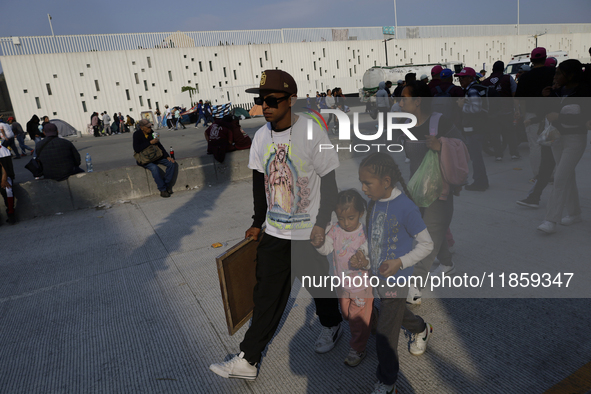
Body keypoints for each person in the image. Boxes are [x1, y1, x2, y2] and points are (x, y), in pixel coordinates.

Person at [209, 69, 342, 381]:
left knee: (319, 287)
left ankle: (331, 324)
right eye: (260, 100)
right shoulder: (261, 137)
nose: (264, 105)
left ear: (291, 100)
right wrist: (258, 223)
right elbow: (259, 184)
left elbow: (332, 184)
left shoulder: (313, 133)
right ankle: (247, 361)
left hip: (308, 233)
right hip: (274, 232)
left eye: (271, 99)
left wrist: (322, 224)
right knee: (266, 296)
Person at [358, 152, 434, 394]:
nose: (363, 188)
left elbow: (427, 245)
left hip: (397, 280)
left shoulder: (406, 208)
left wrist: (400, 262)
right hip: (376, 277)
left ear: (386, 181)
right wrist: (363, 255)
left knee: (385, 333)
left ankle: (387, 381)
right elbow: (371, 237)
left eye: (367, 183)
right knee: (396, 315)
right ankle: (421, 328)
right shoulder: (373, 202)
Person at [399, 81, 469, 303]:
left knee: (427, 236)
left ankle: (415, 286)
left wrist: (441, 146)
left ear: (418, 101)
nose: (399, 103)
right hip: (417, 189)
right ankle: (447, 263)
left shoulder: (439, 121)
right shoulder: (406, 125)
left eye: (403, 98)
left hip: (439, 189)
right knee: (428, 230)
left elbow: (462, 145)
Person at [315, 189, 376, 367]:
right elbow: (327, 249)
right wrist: (319, 244)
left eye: (351, 218)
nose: (346, 223)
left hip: (361, 287)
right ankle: (372, 315)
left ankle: (358, 348)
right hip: (342, 284)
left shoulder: (365, 234)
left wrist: (364, 262)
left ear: (360, 213)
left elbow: (373, 258)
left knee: (356, 322)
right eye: (341, 218)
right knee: (347, 315)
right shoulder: (335, 230)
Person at [536, 60, 591, 234]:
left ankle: (550, 220)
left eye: (559, 73)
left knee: (559, 178)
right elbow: (548, 114)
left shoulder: (584, 92)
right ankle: (575, 213)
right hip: (557, 139)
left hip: (575, 140)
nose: (556, 76)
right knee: (567, 177)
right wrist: (547, 98)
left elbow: (586, 120)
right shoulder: (558, 91)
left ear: (571, 74)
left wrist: (559, 117)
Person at [514, 47, 555, 181]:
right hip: (552, 113)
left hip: (532, 115)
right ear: (545, 58)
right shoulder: (553, 73)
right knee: (552, 144)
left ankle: (539, 176)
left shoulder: (525, 77)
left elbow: (521, 100)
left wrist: (524, 116)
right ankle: (553, 175)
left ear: (531, 60)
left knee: (535, 146)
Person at [456, 67, 489, 191]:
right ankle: (482, 180)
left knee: (476, 157)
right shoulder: (474, 89)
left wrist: (461, 106)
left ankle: (480, 182)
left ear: (471, 78)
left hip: (475, 128)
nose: (460, 80)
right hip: (478, 127)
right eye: (459, 78)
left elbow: (476, 109)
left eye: (463, 78)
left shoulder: (472, 90)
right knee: (476, 156)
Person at [481, 60, 520, 161]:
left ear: (493, 69)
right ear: (503, 69)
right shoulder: (508, 78)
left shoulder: (486, 82)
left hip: (492, 113)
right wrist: (517, 109)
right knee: (510, 133)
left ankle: (498, 155)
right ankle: (514, 153)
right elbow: (514, 93)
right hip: (506, 111)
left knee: (495, 134)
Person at [133, 119, 176, 197]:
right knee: (154, 168)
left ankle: (166, 185)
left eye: (150, 127)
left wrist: (167, 156)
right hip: (144, 159)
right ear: (142, 127)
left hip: (155, 156)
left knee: (172, 164)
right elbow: (137, 148)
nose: (150, 129)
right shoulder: (136, 134)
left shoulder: (152, 132)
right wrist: (149, 143)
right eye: (148, 127)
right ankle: (163, 190)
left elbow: (159, 145)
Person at [0, 143, 16, 224]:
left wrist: (3, 179)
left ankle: (11, 213)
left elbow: (5, 167)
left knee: (8, 190)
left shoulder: (3, 150)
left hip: (4, 176)